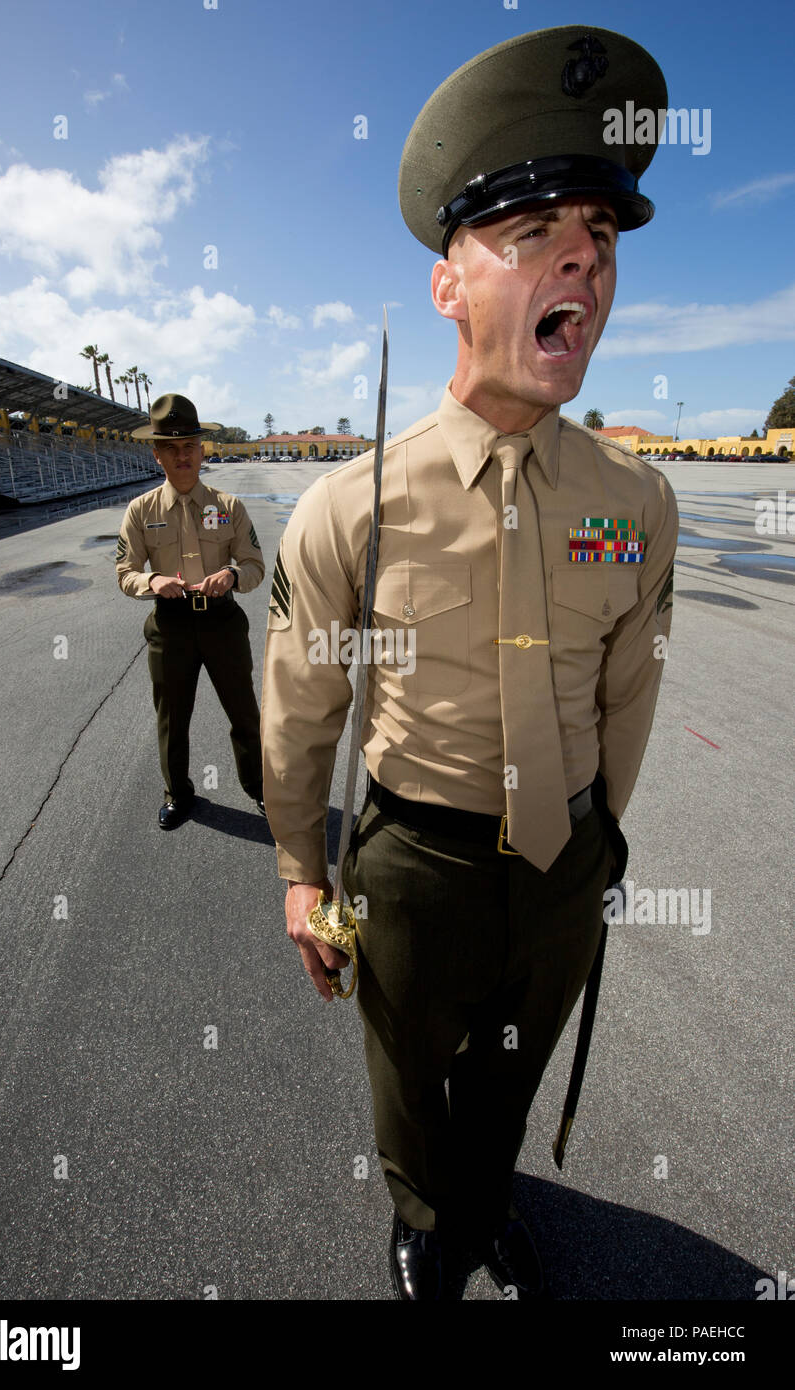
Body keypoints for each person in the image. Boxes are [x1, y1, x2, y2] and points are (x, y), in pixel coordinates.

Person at [260, 24, 678, 1299]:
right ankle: (420, 1210)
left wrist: (596, 837)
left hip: (561, 858)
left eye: (598, 235)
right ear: (447, 283)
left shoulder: (635, 502)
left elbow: (627, 690)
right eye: (532, 230)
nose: (580, 259)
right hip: (411, 858)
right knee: (405, 1069)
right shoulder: (349, 506)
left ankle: (485, 1198)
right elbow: (301, 709)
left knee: (508, 1067)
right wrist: (295, 869)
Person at [117, 393, 265, 828]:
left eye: (189, 446)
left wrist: (233, 576)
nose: (182, 456)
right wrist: (151, 582)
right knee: (172, 717)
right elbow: (125, 571)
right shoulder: (141, 511)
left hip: (222, 621)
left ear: (202, 451)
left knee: (243, 712)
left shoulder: (228, 506)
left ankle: (259, 788)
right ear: (158, 455)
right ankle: (177, 793)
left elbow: (255, 564)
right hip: (171, 625)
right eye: (171, 448)